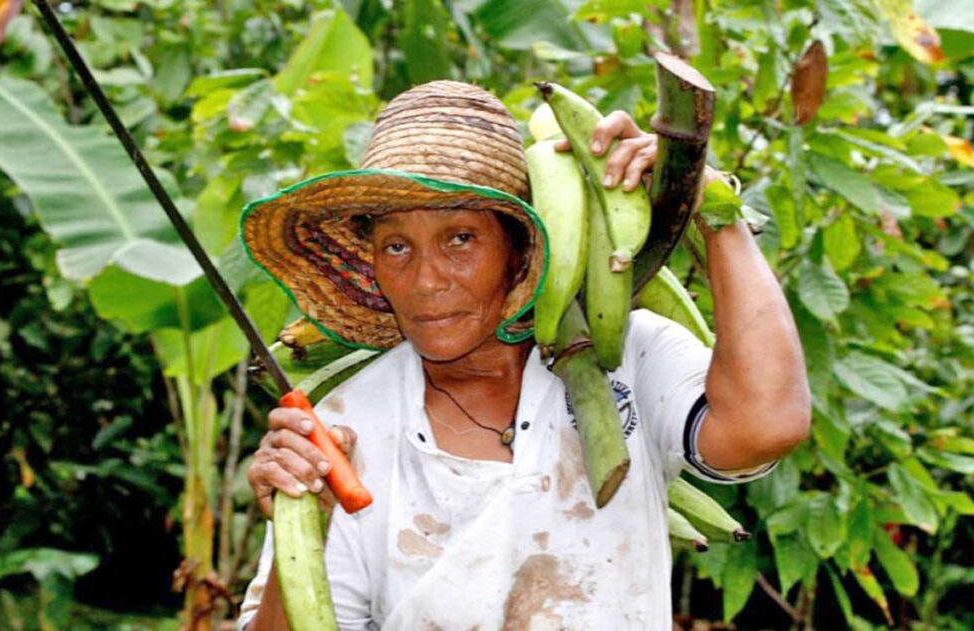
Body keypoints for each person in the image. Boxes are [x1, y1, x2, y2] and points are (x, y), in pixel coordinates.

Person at [237, 80, 810, 630]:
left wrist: (713, 209)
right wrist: (304, 524)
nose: (426, 281)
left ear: (521, 249)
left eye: (460, 238)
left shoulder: (627, 359)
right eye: (396, 247)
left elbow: (766, 425)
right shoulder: (346, 430)